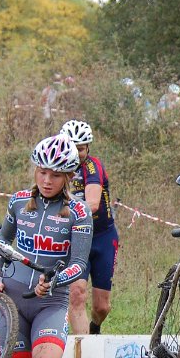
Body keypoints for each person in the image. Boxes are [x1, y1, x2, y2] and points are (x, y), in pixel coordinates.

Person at [0, 134, 93, 358]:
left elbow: (79, 264)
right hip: (12, 303)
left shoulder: (78, 212)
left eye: (55, 175)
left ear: (69, 177)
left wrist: (55, 279)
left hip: (50, 303)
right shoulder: (18, 202)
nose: (47, 180)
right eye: (42, 172)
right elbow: (2, 242)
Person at [59, 119, 119, 336]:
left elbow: (92, 204)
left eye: (81, 149)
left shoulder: (92, 167)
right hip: (76, 238)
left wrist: (61, 209)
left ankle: (94, 328)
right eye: (71, 147)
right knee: (76, 294)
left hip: (103, 237)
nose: (76, 153)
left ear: (88, 148)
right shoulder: (56, 168)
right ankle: (84, 352)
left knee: (101, 307)